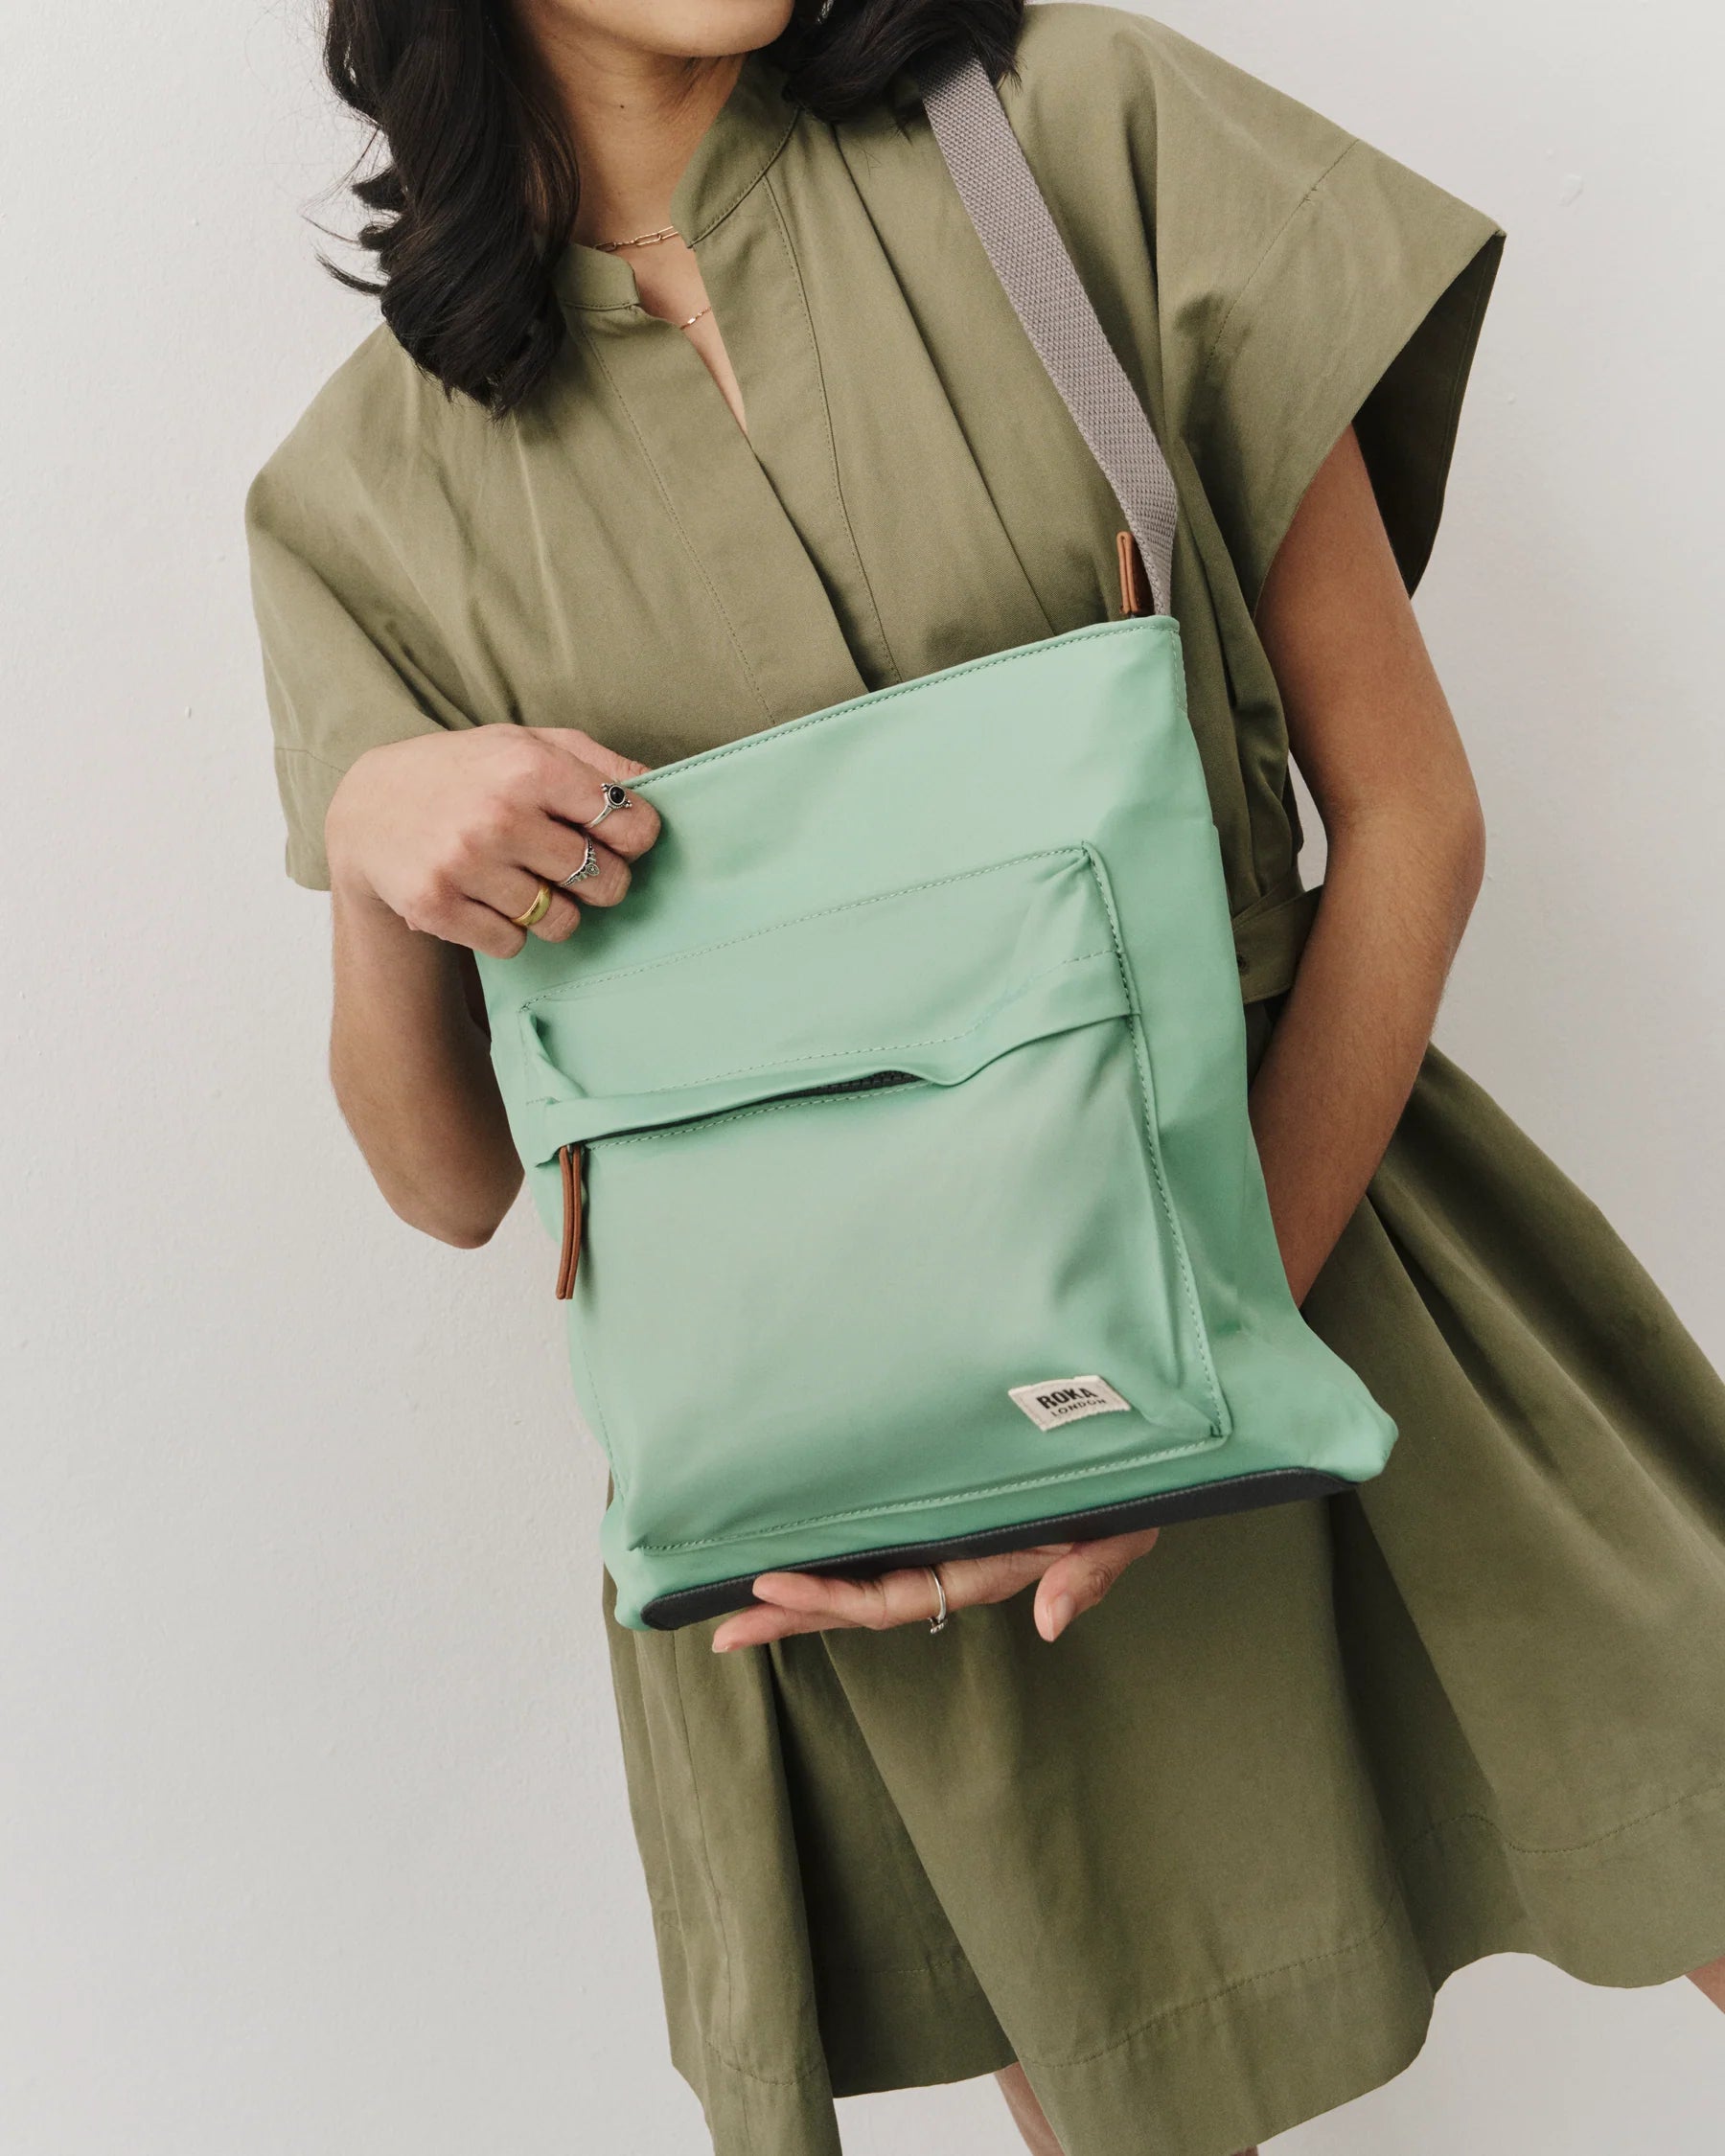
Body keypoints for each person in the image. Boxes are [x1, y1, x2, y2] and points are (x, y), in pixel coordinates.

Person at [244, 3, 1725, 2150]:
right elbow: (451, 1179)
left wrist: (1205, 1361)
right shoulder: (360, 495)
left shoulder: (1079, 134)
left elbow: (1410, 815)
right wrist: (375, 838)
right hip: (888, 1472)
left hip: (1331, 1247)